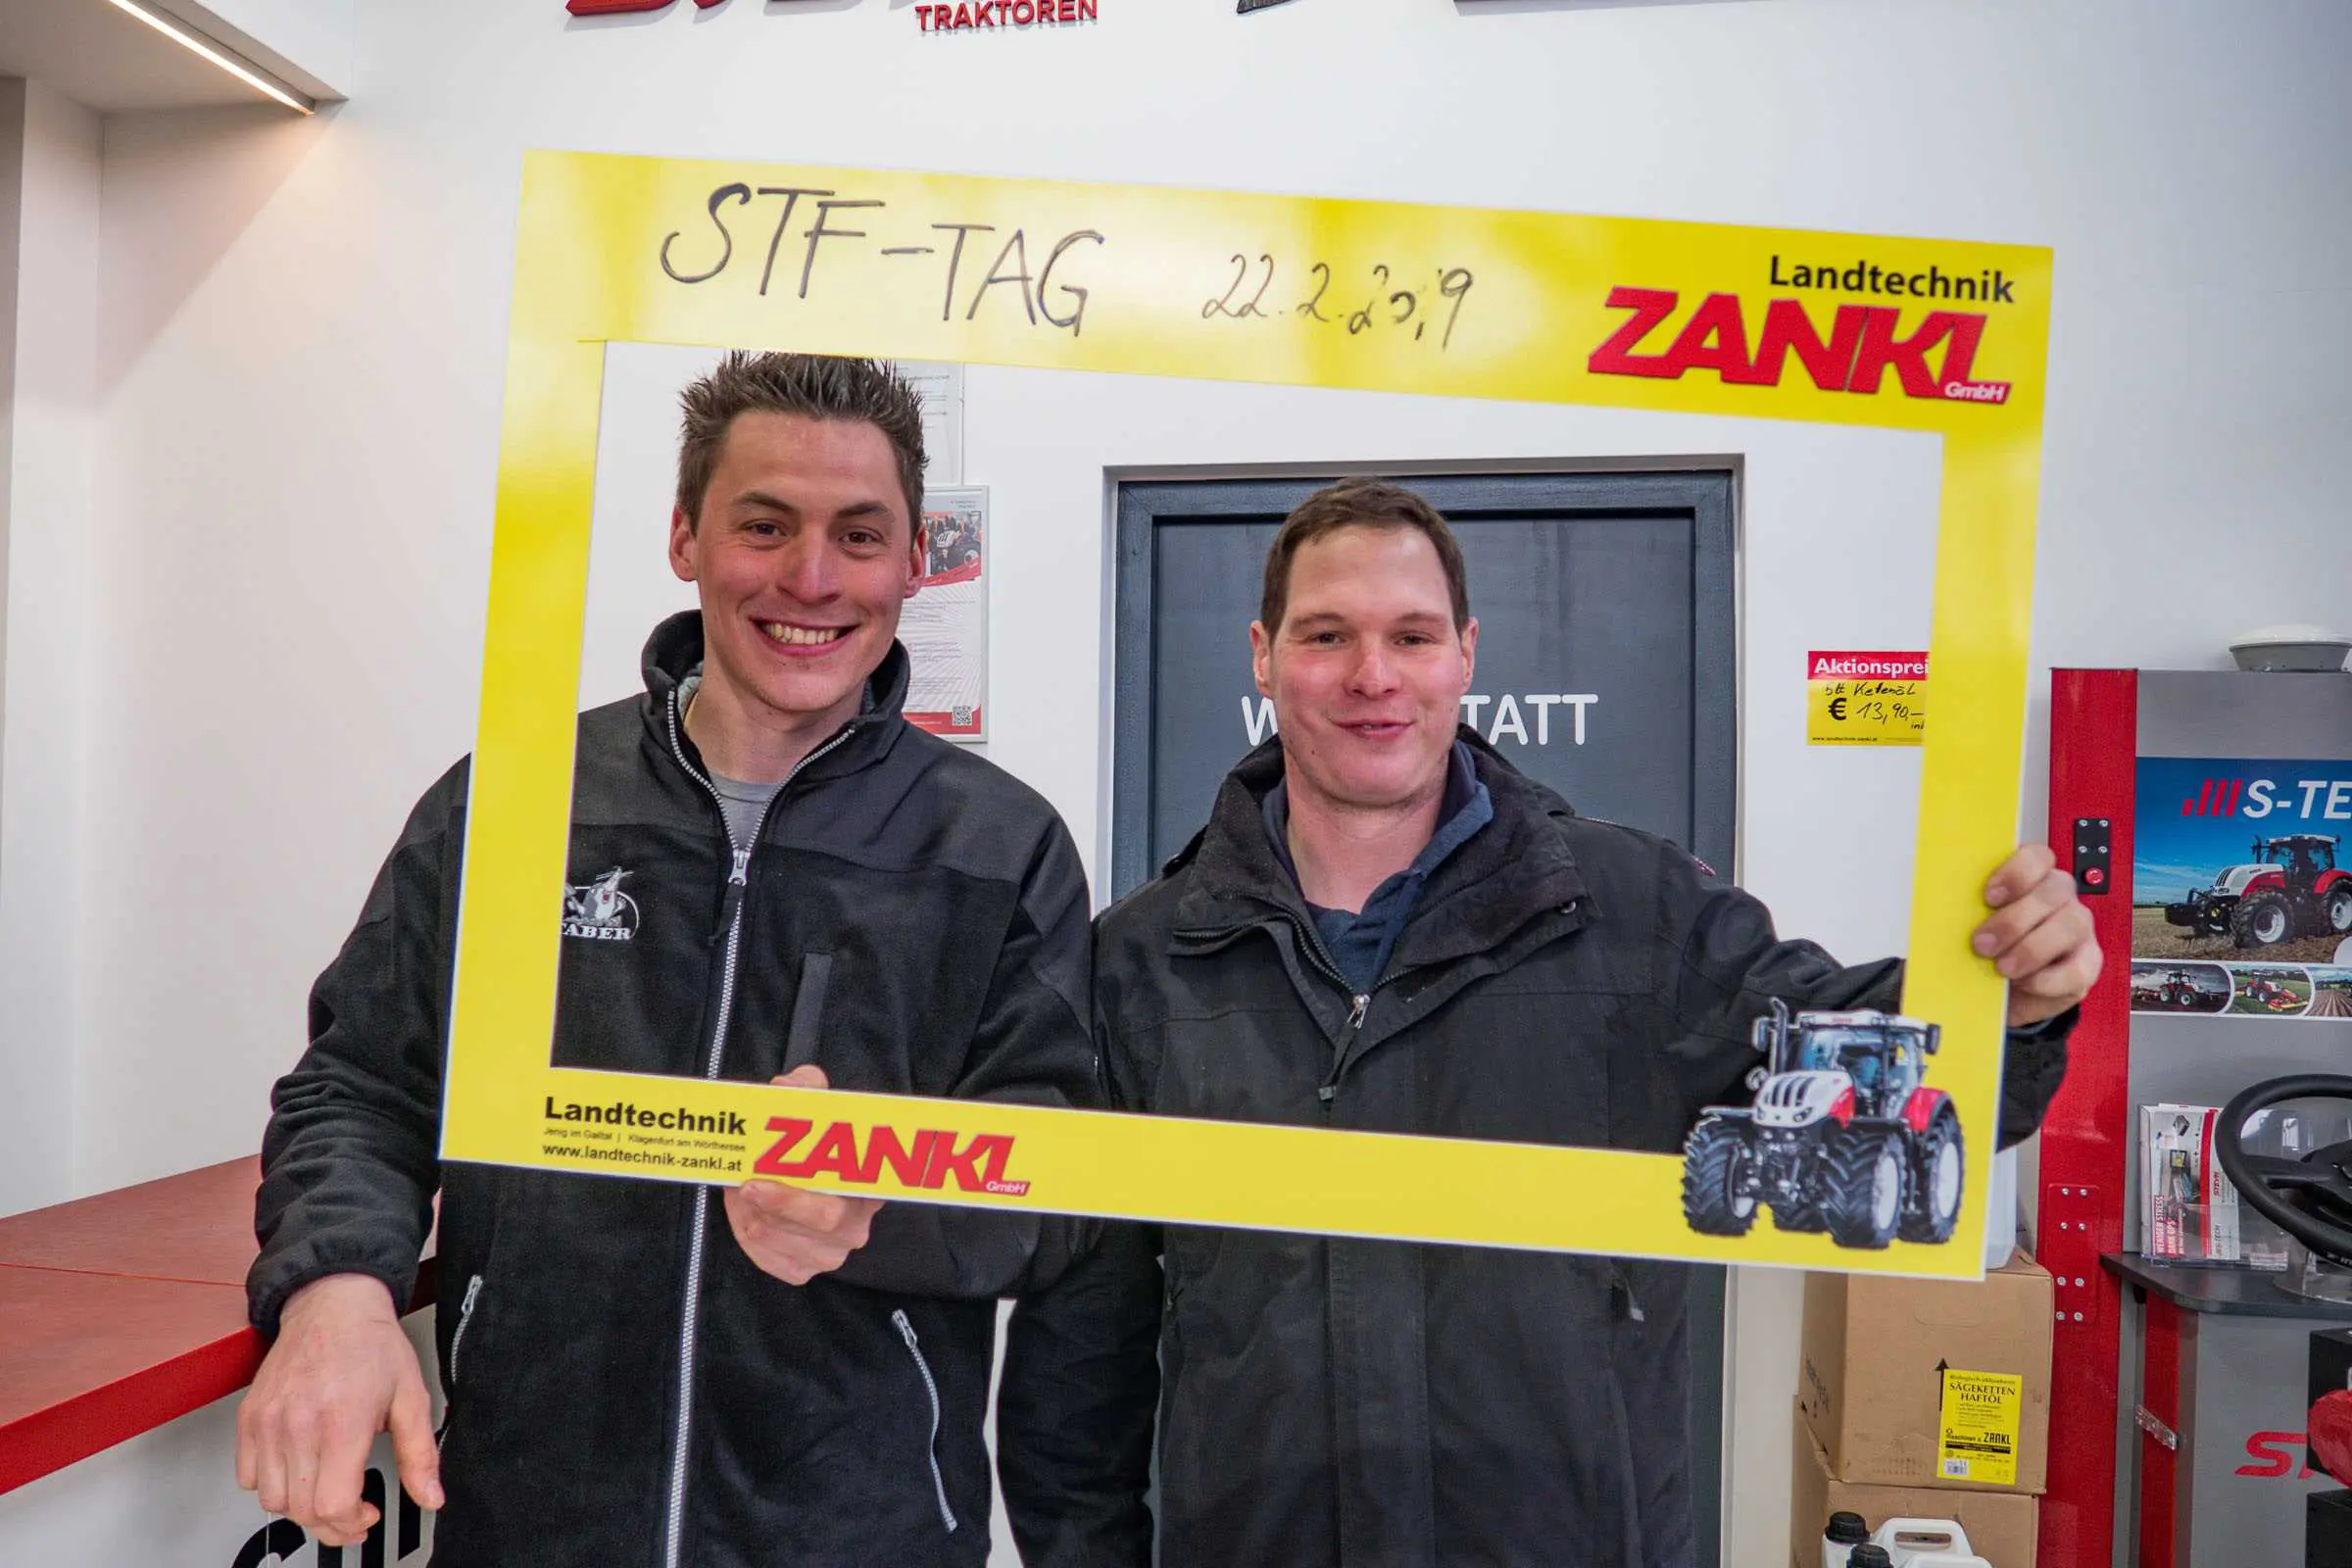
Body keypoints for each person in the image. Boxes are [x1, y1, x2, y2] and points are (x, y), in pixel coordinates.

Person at [996, 478, 2098, 1568]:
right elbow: (1077, 1364)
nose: (1373, 675)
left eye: (1412, 635)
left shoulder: (1640, 914)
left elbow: (1875, 1074)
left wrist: (2011, 1009)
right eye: (1327, 635)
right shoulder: (1144, 961)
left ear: (1466, 654)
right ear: (1263, 655)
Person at [239, 352, 1098, 1567]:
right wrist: (334, 1285)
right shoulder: (518, 803)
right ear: (686, 535)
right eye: (765, 525)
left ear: (916, 558)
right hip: (531, 1524)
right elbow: (363, 1085)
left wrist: (881, 1203)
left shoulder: (1000, 848)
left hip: (860, 1536)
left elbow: (1058, 1187)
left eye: (859, 535)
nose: (812, 577)